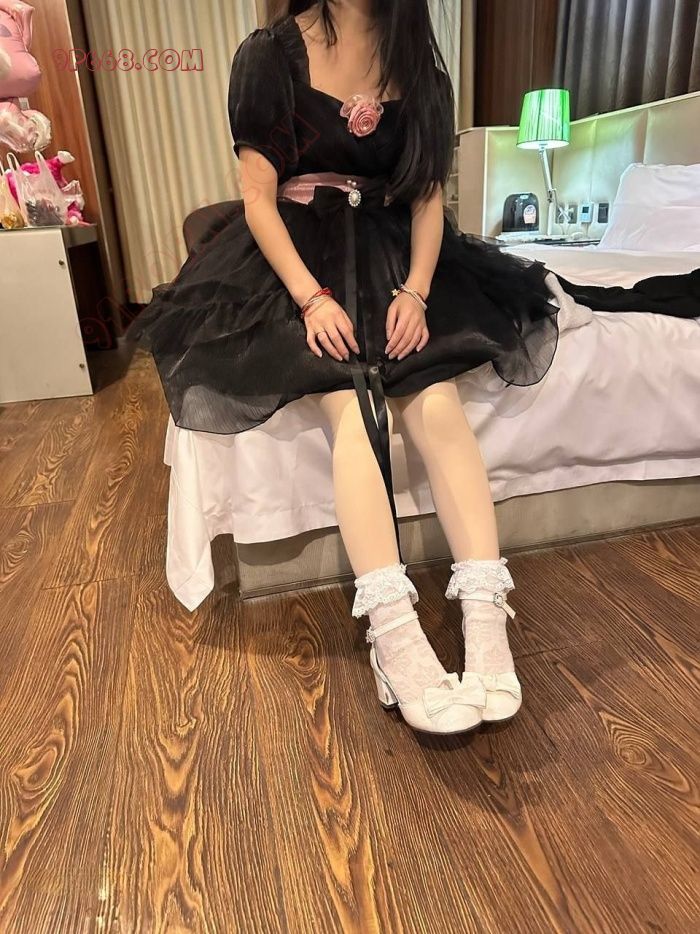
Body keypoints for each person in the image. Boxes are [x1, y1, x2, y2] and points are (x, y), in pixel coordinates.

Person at [127, 0, 563, 736]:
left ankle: (486, 619)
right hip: (301, 258)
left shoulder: (419, 65)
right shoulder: (270, 54)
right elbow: (257, 198)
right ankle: (394, 635)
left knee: (435, 404)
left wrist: (417, 292)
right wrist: (311, 298)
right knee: (356, 408)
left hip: (395, 255)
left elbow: (427, 197)